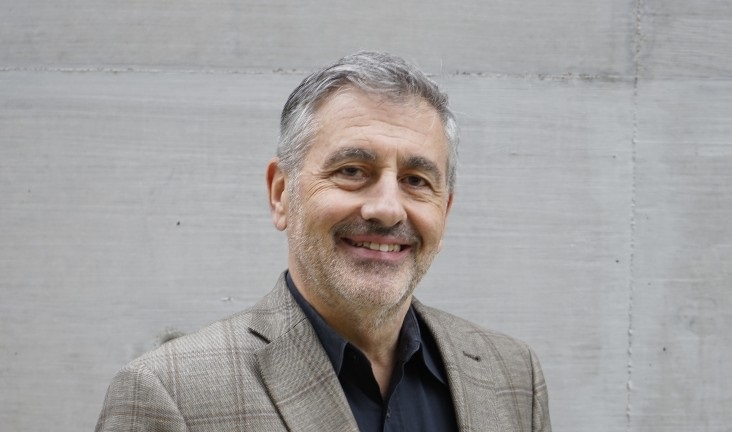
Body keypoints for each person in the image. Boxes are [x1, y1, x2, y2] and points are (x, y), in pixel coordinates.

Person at [95, 51, 551, 432]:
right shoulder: (170, 395)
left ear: (444, 212)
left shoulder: (512, 376)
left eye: (416, 180)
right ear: (281, 194)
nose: (387, 209)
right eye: (352, 171)